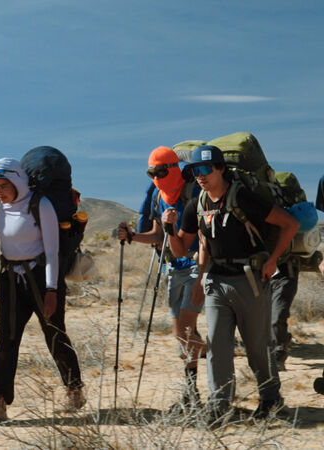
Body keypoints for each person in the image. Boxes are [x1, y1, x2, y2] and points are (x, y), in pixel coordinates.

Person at [169, 145, 299, 425]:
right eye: (194, 171)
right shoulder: (198, 204)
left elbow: (289, 224)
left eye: (205, 170)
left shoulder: (244, 198)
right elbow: (182, 249)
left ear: (220, 169)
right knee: (218, 346)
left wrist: (273, 260)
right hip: (216, 280)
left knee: (257, 346)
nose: (200, 176)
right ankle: (219, 406)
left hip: (249, 280)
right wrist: (169, 229)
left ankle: (270, 399)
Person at [0, 157, 85, 425]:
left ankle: (74, 388)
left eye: (3, 185)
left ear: (17, 181)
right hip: (9, 280)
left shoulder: (40, 205)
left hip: (42, 278)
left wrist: (52, 290)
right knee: (6, 340)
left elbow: (52, 251)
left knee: (54, 335)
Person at [117, 146, 206, 412]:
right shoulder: (159, 195)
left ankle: (193, 394)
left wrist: (202, 275)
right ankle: (212, 359)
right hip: (172, 268)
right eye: (151, 172)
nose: (156, 176)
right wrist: (132, 236)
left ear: (173, 168)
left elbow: (204, 237)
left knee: (184, 330)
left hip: (195, 264)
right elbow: (159, 236)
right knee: (182, 335)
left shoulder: (194, 192)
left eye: (160, 171)